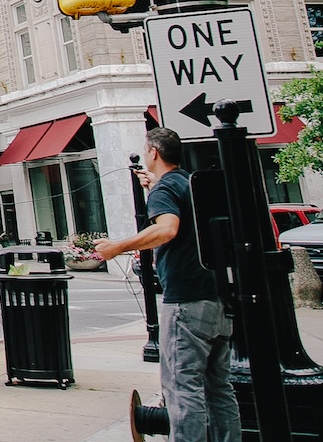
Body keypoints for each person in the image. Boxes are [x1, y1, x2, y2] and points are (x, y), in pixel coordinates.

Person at [95, 127, 239, 442]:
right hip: (216, 298)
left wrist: (117, 247)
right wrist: (155, 186)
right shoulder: (189, 183)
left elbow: (168, 229)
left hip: (186, 300)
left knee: (182, 387)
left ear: (153, 153)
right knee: (219, 388)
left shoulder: (164, 190)